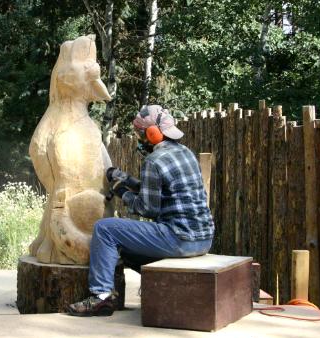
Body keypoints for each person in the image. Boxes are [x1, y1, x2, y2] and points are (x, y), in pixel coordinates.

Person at [67, 105, 214, 317]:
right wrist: (126, 180)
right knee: (120, 249)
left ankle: (101, 297)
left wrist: (121, 192)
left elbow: (148, 208)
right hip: (203, 240)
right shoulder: (186, 153)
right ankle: (158, 284)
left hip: (179, 239)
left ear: (153, 133)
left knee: (105, 230)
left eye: (140, 134)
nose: (140, 139)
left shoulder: (153, 161)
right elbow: (163, 192)